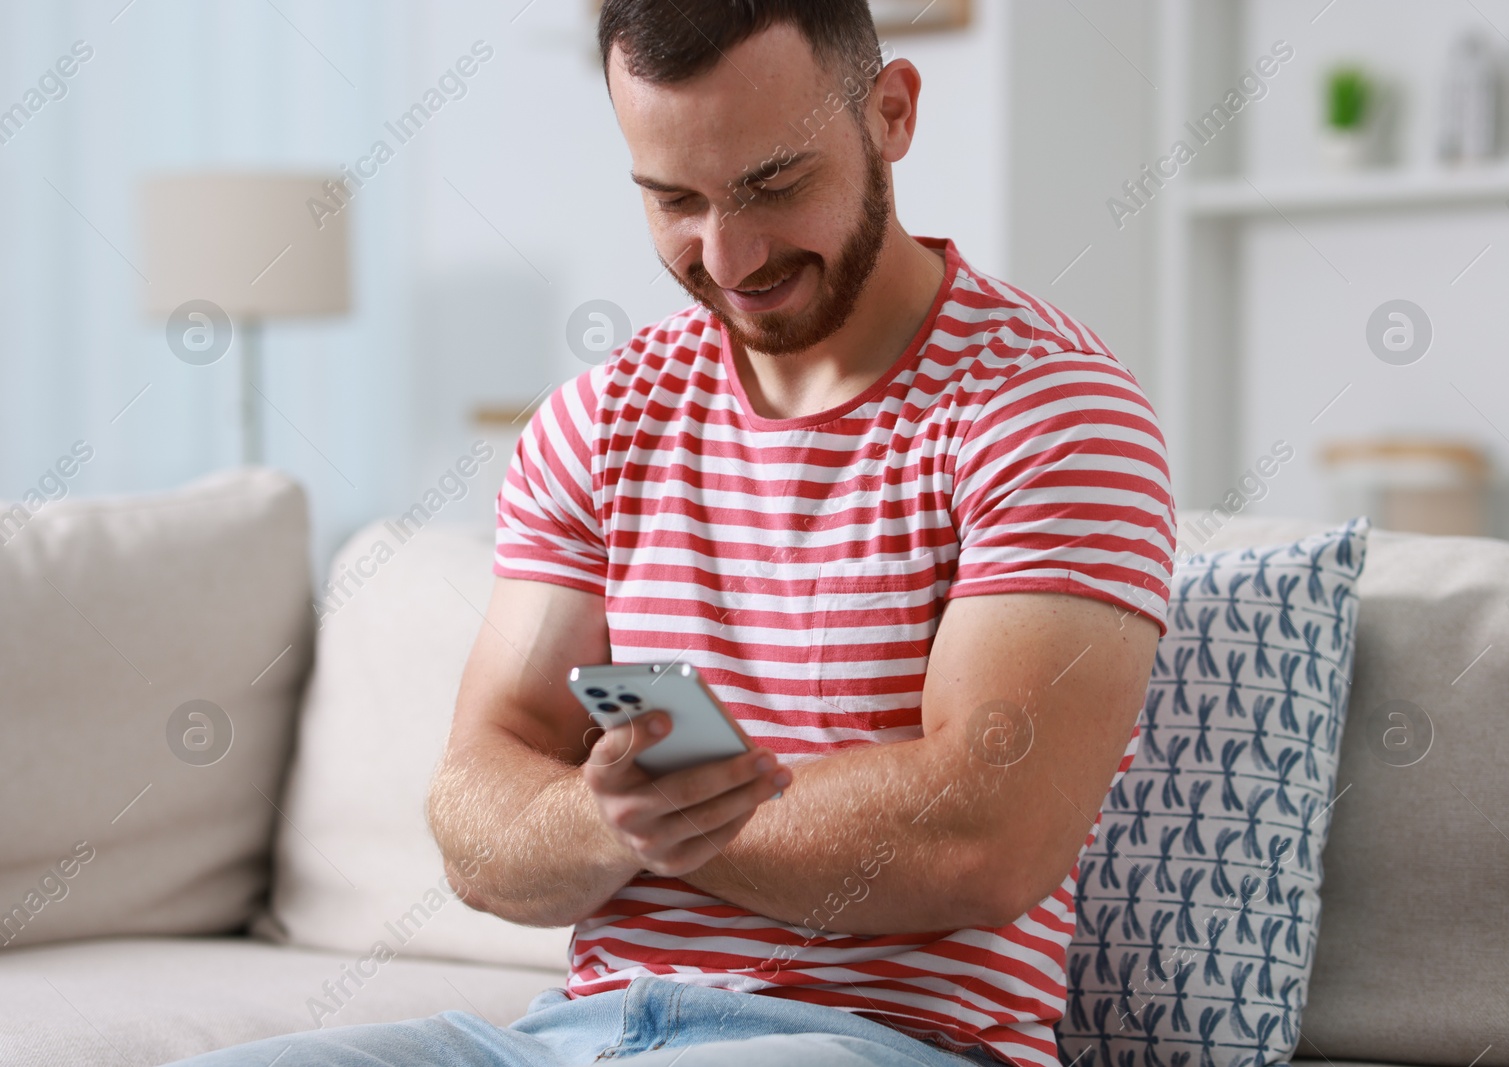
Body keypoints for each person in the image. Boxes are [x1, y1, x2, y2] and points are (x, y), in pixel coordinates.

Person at [169, 1, 1173, 1064]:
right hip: (575, 1035)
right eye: (674, 200)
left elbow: (982, 834)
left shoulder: (1050, 416)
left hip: (877, 1039)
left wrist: (657, 820)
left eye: (773, 185)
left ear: (891, 114)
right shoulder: (598, 421)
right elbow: (477, 819)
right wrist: (604, 818)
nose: (729, 256)